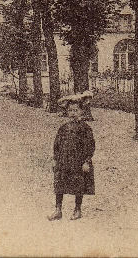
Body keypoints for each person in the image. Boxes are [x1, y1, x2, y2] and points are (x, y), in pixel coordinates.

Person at [49, 92, 95, 221]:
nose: (73, 113)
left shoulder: (85, 128)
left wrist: (86, 161)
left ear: (81, 111)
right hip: (63, 160)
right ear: (67, 112)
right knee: (59, 183)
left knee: (78, 184)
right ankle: (58, 210)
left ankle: (77, 209)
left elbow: (90, 146)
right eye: (70, 110)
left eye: (76, 110)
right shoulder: (63, 128)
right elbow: (56, 144)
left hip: (78, 161)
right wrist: (55, 159)